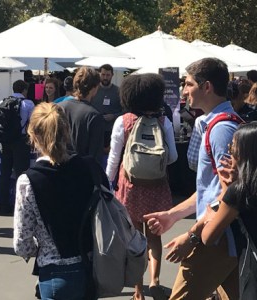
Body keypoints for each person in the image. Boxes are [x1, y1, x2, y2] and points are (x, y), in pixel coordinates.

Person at [143, 58, 240, 300]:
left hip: (216, 237)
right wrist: (173, 215)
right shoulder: (219, 125)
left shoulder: (221, 130)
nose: (184, 91)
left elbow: (230, 193)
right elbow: (212, 189)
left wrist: (192, 236)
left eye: (188, 84)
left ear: (206, 86)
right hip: (223, 236)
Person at [13, 103, 100, 299]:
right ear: (67, 130)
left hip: (54, 272)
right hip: (90, 268)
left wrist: (41, 247)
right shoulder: (88, 168)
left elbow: (21, 243)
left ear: (32, 135)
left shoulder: (28, 181)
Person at [196, 121, 257, 299]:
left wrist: (223, 194)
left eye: (232, 147)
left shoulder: (240, 192)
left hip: (256, 275)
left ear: (245, 152)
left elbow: (208, 237)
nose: (230, 151)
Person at [105, 73, 177, 300]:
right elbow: (173, 156)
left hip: (130, 187)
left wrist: (108, 184)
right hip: (157, 186)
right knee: (154, 236)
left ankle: (138, 290)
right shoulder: (164, 121)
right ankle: (155, 280)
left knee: (135, 239)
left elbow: (114, 159)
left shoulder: (123, 121)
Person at [0, 80, 35, 214]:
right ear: (24, 90)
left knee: (5, 173)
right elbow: (33, 123)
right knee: (21, 174)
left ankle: (3, 205)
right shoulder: (28, 103)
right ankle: (20, 206)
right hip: (20, 141)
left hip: (5, 141)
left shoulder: (2, 102)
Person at [58, 67, 105, 164]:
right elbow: (95, 156)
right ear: (94, 88)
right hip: (82, 171)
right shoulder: (94, 116)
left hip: (58, 168)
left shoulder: (59, 108)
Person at [91, 64, 122, 150]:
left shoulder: (119, 91)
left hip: (112, 131)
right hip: (95, 130)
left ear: (112, 75)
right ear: (99, 74)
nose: (105, 77)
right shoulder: (93, 90)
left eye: (108, 75)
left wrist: (114, 116)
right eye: (103, 74)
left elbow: (125, 110)